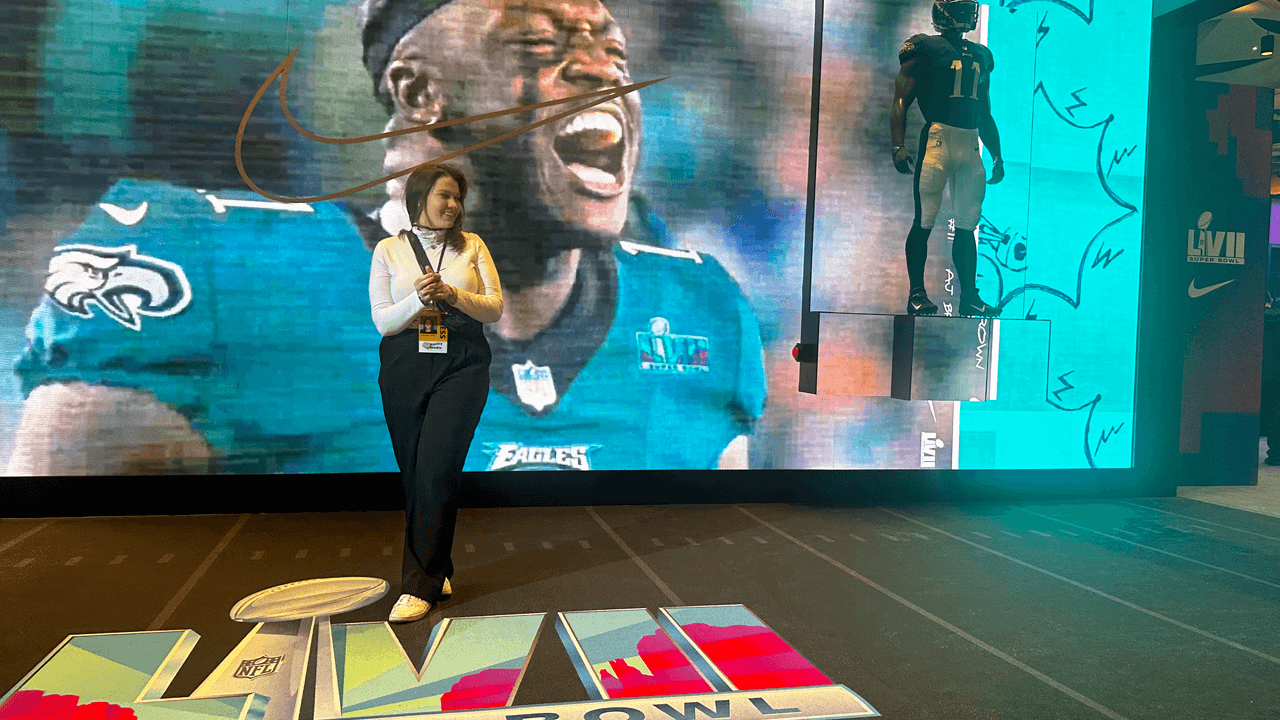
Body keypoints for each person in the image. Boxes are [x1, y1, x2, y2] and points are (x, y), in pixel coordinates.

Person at [359, 0, 767, 471]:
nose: (603, 71)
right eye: (537, 44)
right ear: (420, 92)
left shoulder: (697, 307)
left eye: (616, 51)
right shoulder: (277, 279)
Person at [370, 163, 502, 623]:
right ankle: (437, 566)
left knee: (437, 468)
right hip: (405, 364)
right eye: (444, 195)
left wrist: (450, 294)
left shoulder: (472, 246)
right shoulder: (388, 250)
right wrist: (418, 298)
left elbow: (495, 308)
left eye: (457, 198)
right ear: (418, 199)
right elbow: (384, 322)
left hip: (462, 363)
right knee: (416, 474)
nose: (452, 205)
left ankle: (418, 585)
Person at [889, 0, 1004, 318]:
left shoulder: (981, 55)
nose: (968, 12)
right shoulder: (924, 47)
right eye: (961, 6)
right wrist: (898, 144)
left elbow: (984, 111)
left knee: (968, 225)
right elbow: (902, 99)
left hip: (969, 144)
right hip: (937, 140)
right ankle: (916, 294)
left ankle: (969, 296)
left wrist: (997, 154)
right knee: (924, 219)